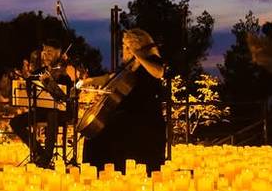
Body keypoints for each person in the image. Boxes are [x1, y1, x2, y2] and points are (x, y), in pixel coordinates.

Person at [79, 28, 166, 175]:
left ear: (138, 46)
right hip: (126, 114)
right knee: (95, 133)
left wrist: (138, 55)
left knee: (104, 132)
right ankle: (98, 173)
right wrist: (88, 81)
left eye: (128, 47)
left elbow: (159, 73)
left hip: (144, 116)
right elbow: (109, 78)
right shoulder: (126, 67)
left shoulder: (152, 61)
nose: (124, 51)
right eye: (124, 47)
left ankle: (109, 171)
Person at [10, 39, 77, 168]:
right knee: (15, 122)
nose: (46, 56)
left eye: (50, 52)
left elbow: (68, 95)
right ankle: (40, 152)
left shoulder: (65, 72)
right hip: (42, 111)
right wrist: (29, 82)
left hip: (62, 112)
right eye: (44, 52)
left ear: (58, 53)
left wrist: (57, 80)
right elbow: (30, 90)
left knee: (52, 114)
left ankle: (45, 160)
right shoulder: (40, 72)